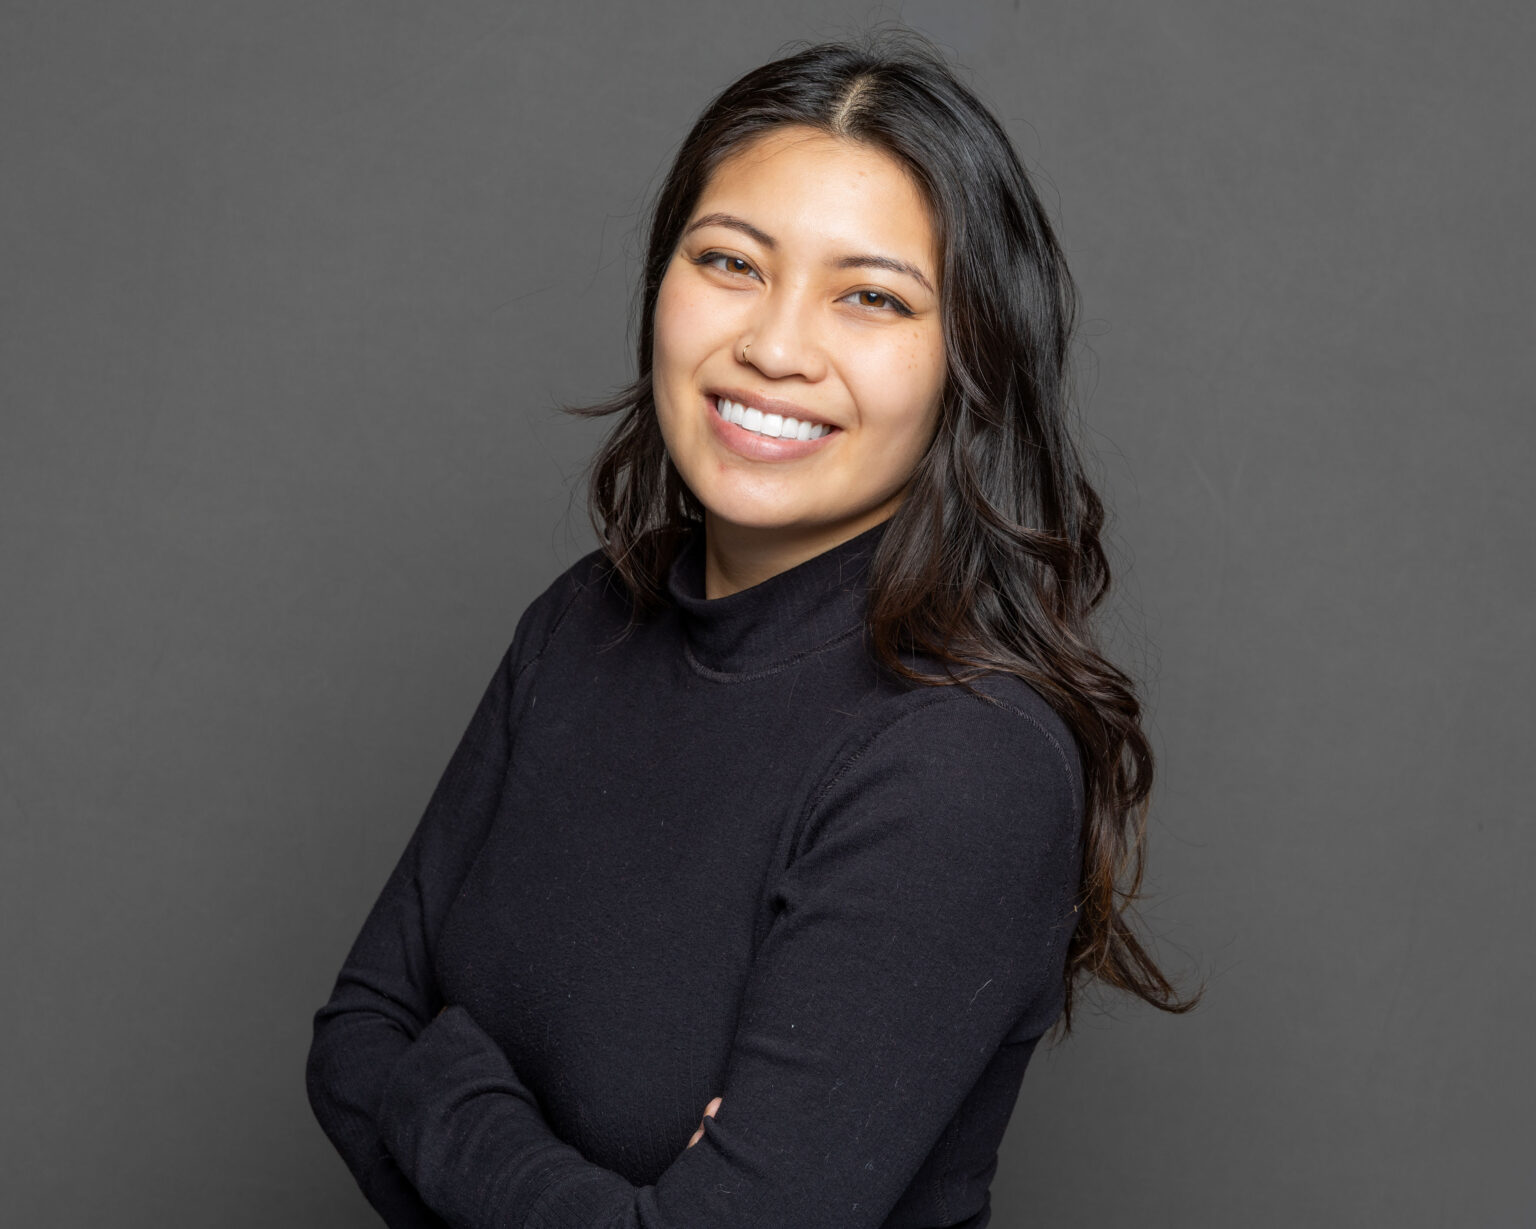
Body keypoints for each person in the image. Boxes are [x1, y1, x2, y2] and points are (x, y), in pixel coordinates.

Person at [306, 32, 1192, 1229]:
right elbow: (355, 1033)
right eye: (731, 261)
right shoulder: (582, 623)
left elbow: (394, 1062)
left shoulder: (962, 761)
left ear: (969, 360)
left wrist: (440, 1081)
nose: (774, 347)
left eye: (871, 296)